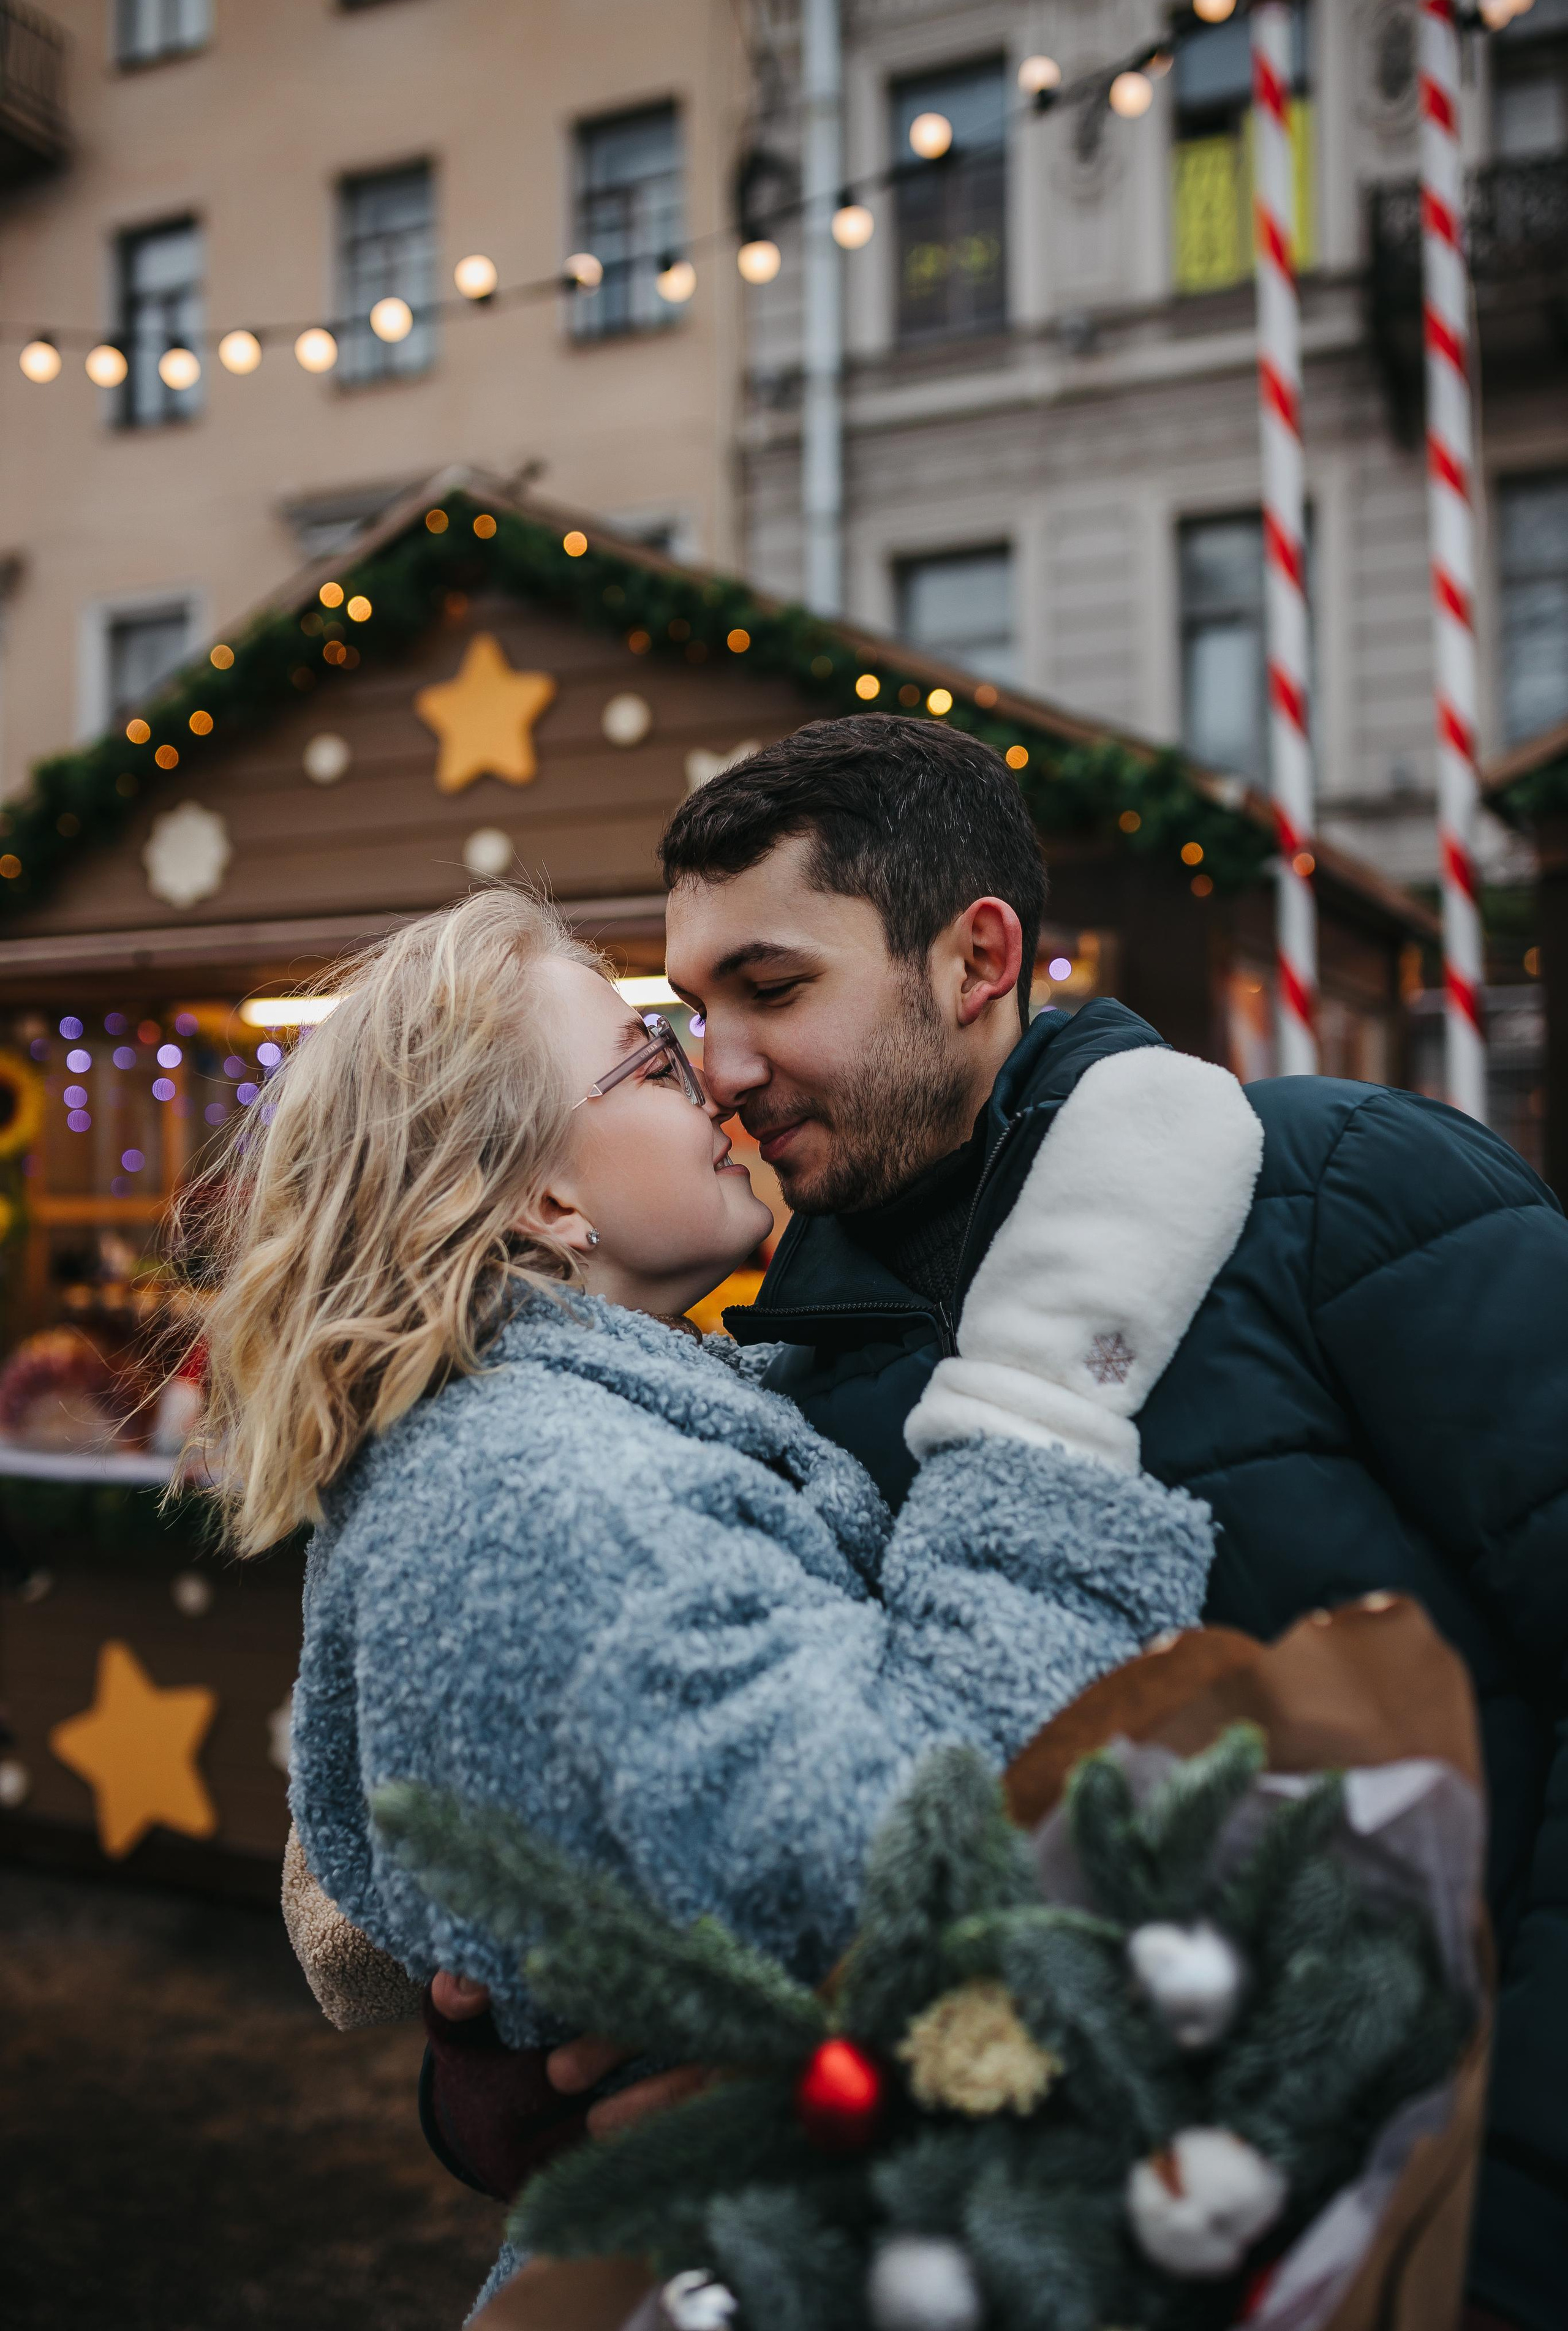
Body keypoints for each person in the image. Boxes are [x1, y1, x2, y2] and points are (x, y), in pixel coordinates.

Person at [434, 717, 1568, 2331]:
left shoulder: (1341, 1196)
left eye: (771, 989)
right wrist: (517, 2079)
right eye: (693, 1013)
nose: (726, 1067)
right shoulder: (766, 1408)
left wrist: (1518, 2216)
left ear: (974, 960)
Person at [205, 887, 1235, 2313]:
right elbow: (910, 1863)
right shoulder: (537, 1487)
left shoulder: (627, 1412)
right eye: (652, 1059)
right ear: (544, 1198)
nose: (718, 1087)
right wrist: (1039, 1428)